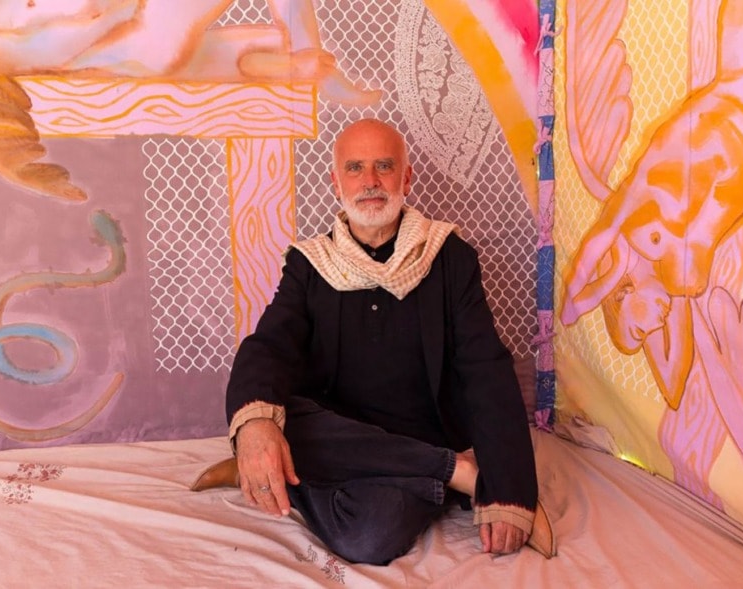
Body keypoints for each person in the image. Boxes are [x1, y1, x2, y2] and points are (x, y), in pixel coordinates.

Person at [193, 118, 554, 565]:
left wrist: (510, 489)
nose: (370, 182)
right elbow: (269, 345)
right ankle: (453, 471)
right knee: (271, 417)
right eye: (355, 168)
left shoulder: (449, 257)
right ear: (335, 182)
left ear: (405, 178)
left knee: (369, 538)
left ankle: (283, 473)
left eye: (384, 166)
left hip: (417, 435)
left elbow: (486, 369)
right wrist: (255, 427)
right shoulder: (310, 264)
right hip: (334, 432)